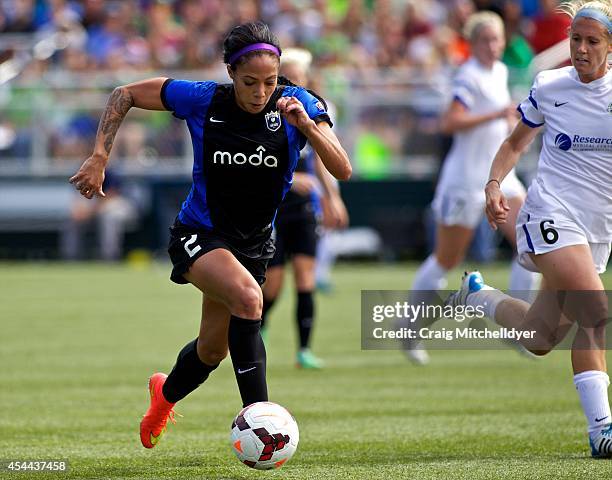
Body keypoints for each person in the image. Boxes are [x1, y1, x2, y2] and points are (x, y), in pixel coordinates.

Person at [68, 21, 351, 449]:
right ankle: (262, 423)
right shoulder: (203, 99)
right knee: (250, 299)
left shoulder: (300, 104)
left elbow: (343, 168)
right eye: (250, 82)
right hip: (197, 233)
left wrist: (308, 127)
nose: (260, 92)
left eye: (269, 82)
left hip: (253, 244)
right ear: (231, 73)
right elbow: (123, 94)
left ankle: (163, 397)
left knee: (211, 352)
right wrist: (99, 156)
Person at [447, 0, 612, 457]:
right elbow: (515, 142)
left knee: (540, 339)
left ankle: (477, 295)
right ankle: (602, 431)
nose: (579, 48)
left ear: (610, 47)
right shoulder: (551, 85)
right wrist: (495, 183)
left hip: (597, 228)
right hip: (549, 215)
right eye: (575, 39)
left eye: (591, 41)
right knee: (595, 314)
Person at [403, 11, 539, 365]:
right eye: (486, 40)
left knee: (530, 241)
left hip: (500, 175)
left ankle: (519, 328)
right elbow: (450, 121)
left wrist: (508, 119)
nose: (493, 46)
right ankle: (410, 329)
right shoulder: (468, 75)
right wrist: (495, 114)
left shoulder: (501, 71)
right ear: (474, 42)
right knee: (447, 259)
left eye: (497, 40)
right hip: (465, 180)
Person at [260, 48, 349, 369]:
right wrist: (291, 179)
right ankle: (261, 324)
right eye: (289, 79)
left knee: (306, 278)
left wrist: (332, 197)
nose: (294, 85)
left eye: (300, 79)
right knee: (274, 284)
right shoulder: (264, 114)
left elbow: (322, 160)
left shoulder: (310, 112)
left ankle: (304, 351)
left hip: (303, 209)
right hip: (272, 207)